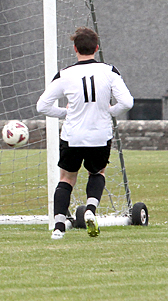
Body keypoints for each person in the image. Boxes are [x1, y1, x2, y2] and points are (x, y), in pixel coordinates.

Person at [36, 27, 133, 240]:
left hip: (72, 135)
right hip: (100, 135)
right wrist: (111, 112)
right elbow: (127, 102)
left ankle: (59, 227)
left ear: (75, 49)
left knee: (66, 178)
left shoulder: (65, 74)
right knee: (97, 173)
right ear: (97, 48)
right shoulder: (110, 71)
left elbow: (42, 106)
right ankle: (90, 210)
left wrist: (65, 113)